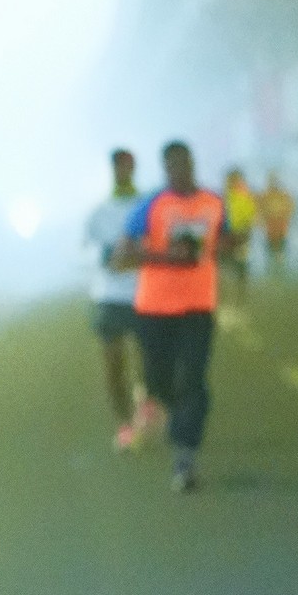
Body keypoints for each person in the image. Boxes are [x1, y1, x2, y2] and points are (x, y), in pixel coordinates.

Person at [113, 137, 226, 493]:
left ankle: (185, 454)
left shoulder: (213, 203)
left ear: (192, 163)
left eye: (184, 164)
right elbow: (121, 257)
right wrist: (167, 257)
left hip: (198, 307)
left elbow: (226, 240)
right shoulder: (150, 206)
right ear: (165, 169)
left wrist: (226, 245)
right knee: (159, 382)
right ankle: (164, 408)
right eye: (172, 166)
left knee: (193, 379)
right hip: (154, 308)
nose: (180, 171)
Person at [82, 148, 155, 449]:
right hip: (110, 296)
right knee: (113, 363)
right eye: (118, 166)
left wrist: (139, 256)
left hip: (146, 293)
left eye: (127, 165)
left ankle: (146, 400)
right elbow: (84, 249)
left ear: (134, 168)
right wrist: (108, 257)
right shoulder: (99, 211)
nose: (123, 171)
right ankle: (125, 424)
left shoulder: (148, 206)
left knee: (150, 360)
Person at [218, 165, 257, 318]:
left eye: (235, 179)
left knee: (240, 272)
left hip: (240, 238)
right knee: (222, 272)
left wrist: (245, 237)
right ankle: (223, 305)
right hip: (224, 239)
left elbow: (250, 220)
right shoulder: (221, 198)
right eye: (230, 179)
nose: (232, 182)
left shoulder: (244, 198)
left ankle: (240, 305)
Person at [260, 172, 294, 266]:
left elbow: (289, 208)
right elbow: (261, 210)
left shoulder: (283, 195)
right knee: (272, 249)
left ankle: (278, 263)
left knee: (279, 249)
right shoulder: (266, 195)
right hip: (271, 228)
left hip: (279, 227)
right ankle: (274, 264)